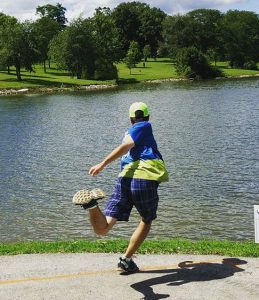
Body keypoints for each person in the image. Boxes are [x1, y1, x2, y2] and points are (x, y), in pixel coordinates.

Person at [74, 102, 168, 272]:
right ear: (147, 116)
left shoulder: (129, 131)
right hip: (143, 179)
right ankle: (126, 260)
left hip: (125, 179)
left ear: (130, 118)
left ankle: (92, 206)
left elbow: (127, 145)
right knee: (146, 220)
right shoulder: (144, 126)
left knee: (103, 229)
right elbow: (126, 146)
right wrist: (103, 164)